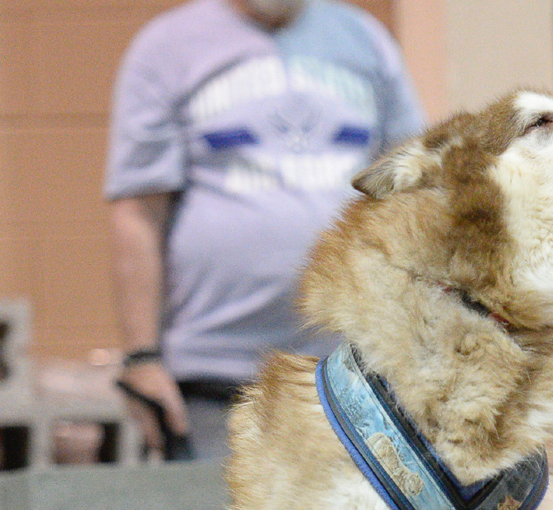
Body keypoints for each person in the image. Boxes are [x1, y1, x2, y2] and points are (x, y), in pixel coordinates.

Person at [104, 0, 423, 458]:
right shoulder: (166, 48)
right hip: (214, 380)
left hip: (354, 373)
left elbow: (416, 193)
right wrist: (141, 358)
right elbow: (137, 212)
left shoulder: (366, 40)